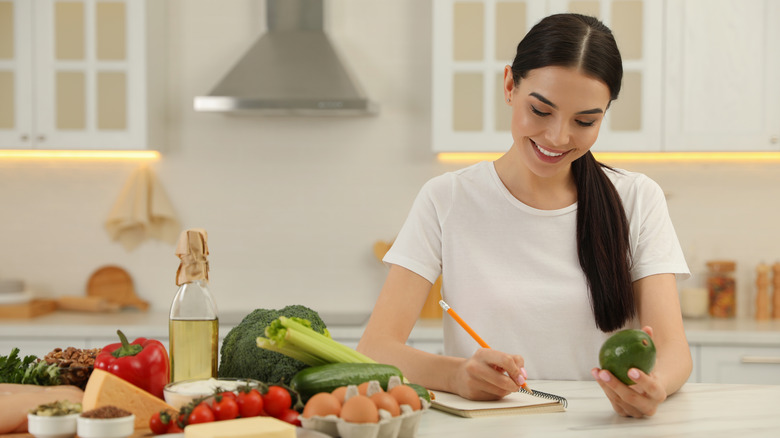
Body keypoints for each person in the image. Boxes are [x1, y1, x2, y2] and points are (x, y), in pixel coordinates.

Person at [356, 13, 691, 418]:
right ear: (510, 86)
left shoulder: (637, 198)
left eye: (585, 121)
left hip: (603, 425)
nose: (558, 137)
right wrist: (458, 374)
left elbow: (674, 351)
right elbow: (375, 348)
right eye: (541, 110)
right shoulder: (447, 198)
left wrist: (654, 387)